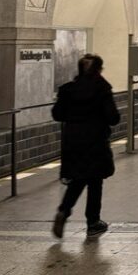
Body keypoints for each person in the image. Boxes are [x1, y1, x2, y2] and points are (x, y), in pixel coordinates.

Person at [51, 53, 120, 239]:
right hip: (95, 141)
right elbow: (113, 118)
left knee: (78, 178)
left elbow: (57, 114)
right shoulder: (102, 88)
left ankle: (64, 210)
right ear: (98, 69)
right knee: (95, 182)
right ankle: (93, 223)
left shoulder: (69, 89)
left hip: (72, 140)